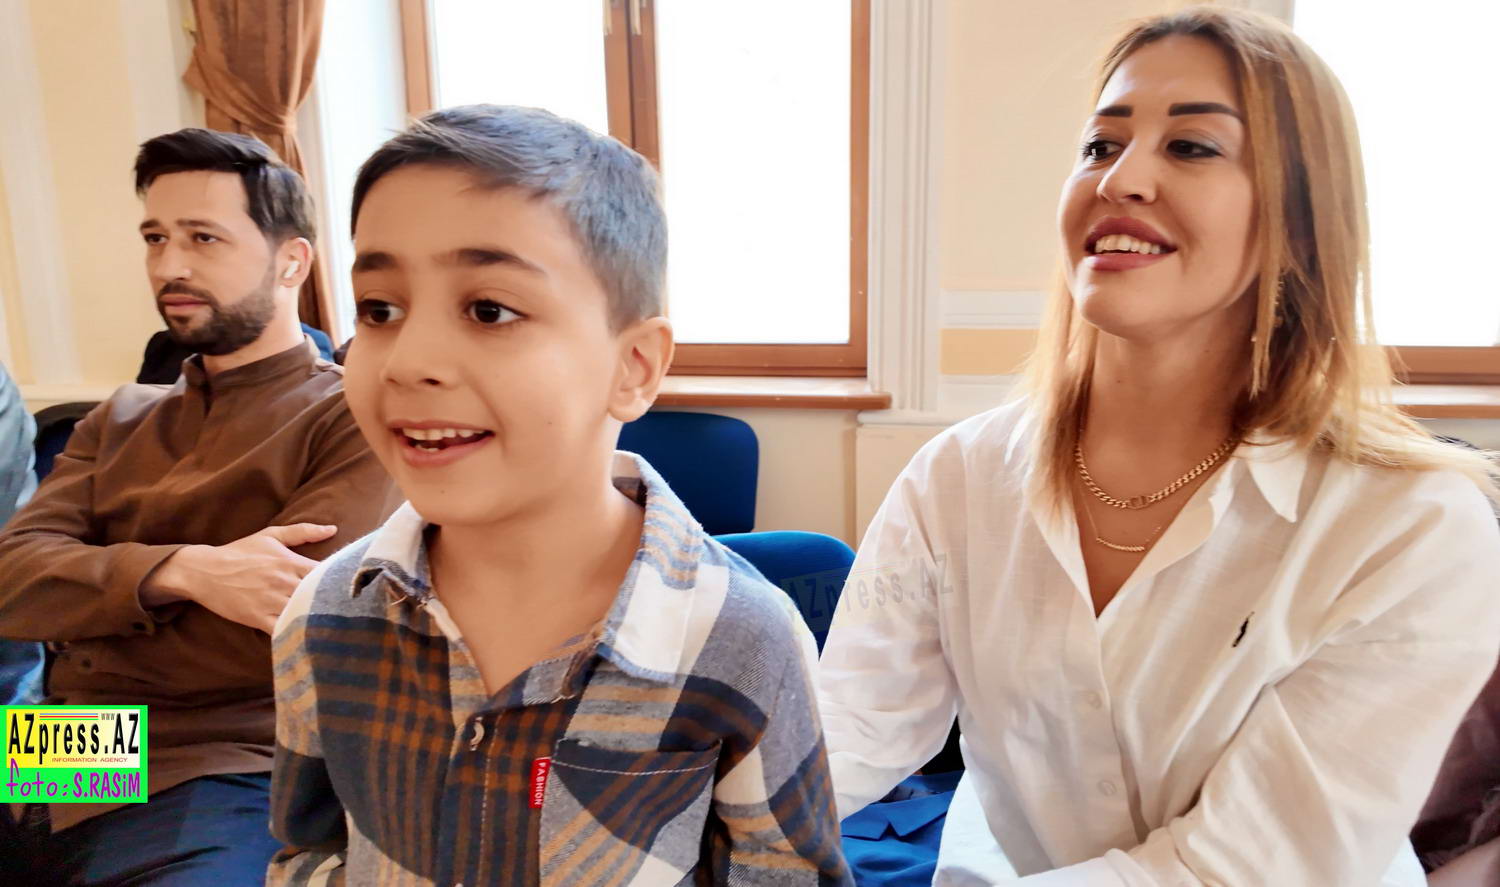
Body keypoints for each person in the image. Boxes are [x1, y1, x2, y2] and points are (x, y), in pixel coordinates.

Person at [817, 7, 1500, 886]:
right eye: (1100, 145)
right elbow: (846, 730)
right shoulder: (958, 476)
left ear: (1300, 221)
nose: (1121, 178)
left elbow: (1237, 868)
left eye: (1192, 147)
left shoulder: (1416, 527)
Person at [267, 105, 851, 886]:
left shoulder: (742, 638)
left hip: (169, 768)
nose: (407, 360)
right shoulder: (317, 609)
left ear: (634, 366)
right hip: (110, 758)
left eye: (489, 310)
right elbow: (307, 848)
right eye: (380, 310)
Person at [0, 128, 398, 885]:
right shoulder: (121, 415)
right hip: (53, 750)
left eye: (203, 238)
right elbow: (11, 579)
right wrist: (184, 571)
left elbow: (286, 628)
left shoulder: (352, 412)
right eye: (155, 238)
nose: (169, 266)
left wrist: (81, 606)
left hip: (217, 765)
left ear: (291, 261)